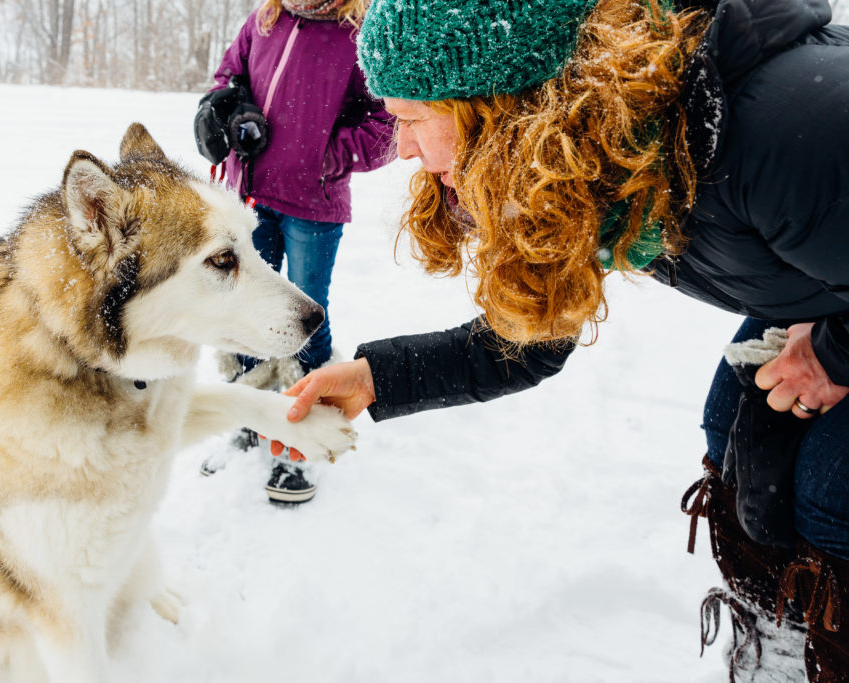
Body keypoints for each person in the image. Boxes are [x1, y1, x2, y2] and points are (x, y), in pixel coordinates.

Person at [277, 0, 849, 677]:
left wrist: (833, 353)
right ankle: (782, 645)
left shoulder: (776, 127)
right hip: (826, 284)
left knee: (826, 487)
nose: (398, 147)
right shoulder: (591, 153)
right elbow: (529, 340)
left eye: (410, 118)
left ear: (491, 104)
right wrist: (376, 378)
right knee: (735, 432)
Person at [195, 0, 394, 504]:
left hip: (314, 206)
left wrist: (327, 156)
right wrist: (231, 107)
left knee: (306, 315)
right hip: (252, 199)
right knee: (245, 306)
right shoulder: (264, 19)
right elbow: (227, 76)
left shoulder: (360, 32)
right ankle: (249, 412)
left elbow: (387, 120)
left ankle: (302, 432)